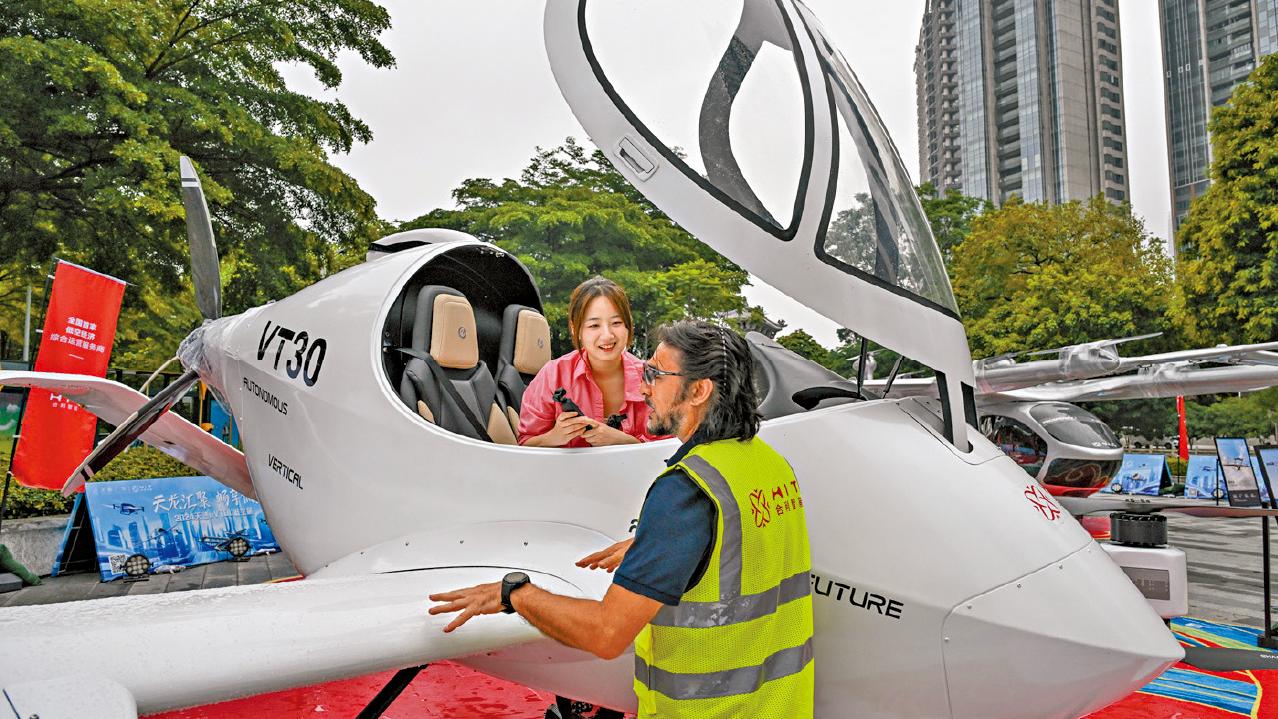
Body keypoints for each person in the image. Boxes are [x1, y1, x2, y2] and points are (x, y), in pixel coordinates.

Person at [430, 321, 815, 718]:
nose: (643, 387)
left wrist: (513, 594)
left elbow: (606, 633)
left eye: (655, 374)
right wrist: (670, 547)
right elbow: (742, 552)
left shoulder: (687, 492)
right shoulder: (769, 464)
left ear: (699, 390)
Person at [518, 276, 661, 448]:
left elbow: (670, 448)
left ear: (628, 325)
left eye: (616, 323)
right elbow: (525, 444)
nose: (607, 335)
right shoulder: (552, 375)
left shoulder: (653, 378)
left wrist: (625, 441)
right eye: (594, 326)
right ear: (575, 329)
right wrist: (553, 437)